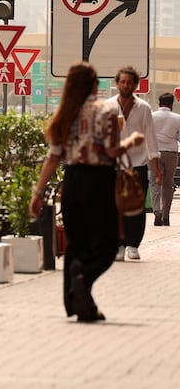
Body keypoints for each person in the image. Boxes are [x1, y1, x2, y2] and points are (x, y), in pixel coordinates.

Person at [32, 62, 145, 322]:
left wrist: (37, 192)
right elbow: (112, 151)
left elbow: (53, 157)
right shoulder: (106, 110)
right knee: (107, 244)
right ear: (94, 84)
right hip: (99, 183)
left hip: (72, 182)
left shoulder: (65, 113)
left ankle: (80, 305)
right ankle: (83, 278)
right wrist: (132, 141)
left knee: (76, 245)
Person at [106, 66, 161, 260]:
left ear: (135, 85)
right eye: (122, 81)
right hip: (113, 164)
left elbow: (151, 138)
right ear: (117, 83)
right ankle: (118, 245)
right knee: (114, 207)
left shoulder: (143, 108)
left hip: (138, 163)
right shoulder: (108, 106)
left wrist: (156, 168)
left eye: (129, 82)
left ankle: (133, 244)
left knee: (136, 206)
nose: (126, 85)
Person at [151, 92, 180, 226]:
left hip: (155, 153)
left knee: (155, 183)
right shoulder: (177, 118)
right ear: (172, 104)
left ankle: (157, 211)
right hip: (171, 153)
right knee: (168, 184)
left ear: (159, 103)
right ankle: (166, 215)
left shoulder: (152, 116)